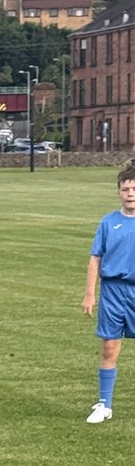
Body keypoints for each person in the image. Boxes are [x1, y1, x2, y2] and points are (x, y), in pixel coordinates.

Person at [83, 164, 135, 423]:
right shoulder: (108, 221)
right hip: (113, 292)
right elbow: (95, 258)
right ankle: (104, 404)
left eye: (134, 188)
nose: (130, 193)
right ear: (119, 193)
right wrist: (90, 294)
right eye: (125, 189)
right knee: (109, 347)